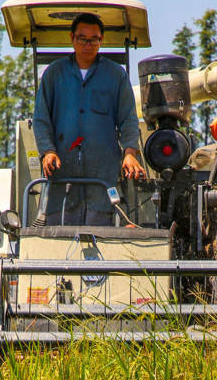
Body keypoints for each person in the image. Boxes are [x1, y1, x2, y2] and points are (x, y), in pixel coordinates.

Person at [32, 12, 145, 226]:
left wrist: (130, 153)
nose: (88, 44)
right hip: (62, 170)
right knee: (60, 232)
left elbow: (128, 118)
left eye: (94, 39)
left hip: (102, 174)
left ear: (101, 41)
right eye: (82, 38)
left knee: (101, 233)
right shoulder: (54, 74)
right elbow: (41, 118)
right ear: (72, 38)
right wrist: (48, 151)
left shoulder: (115, 75)